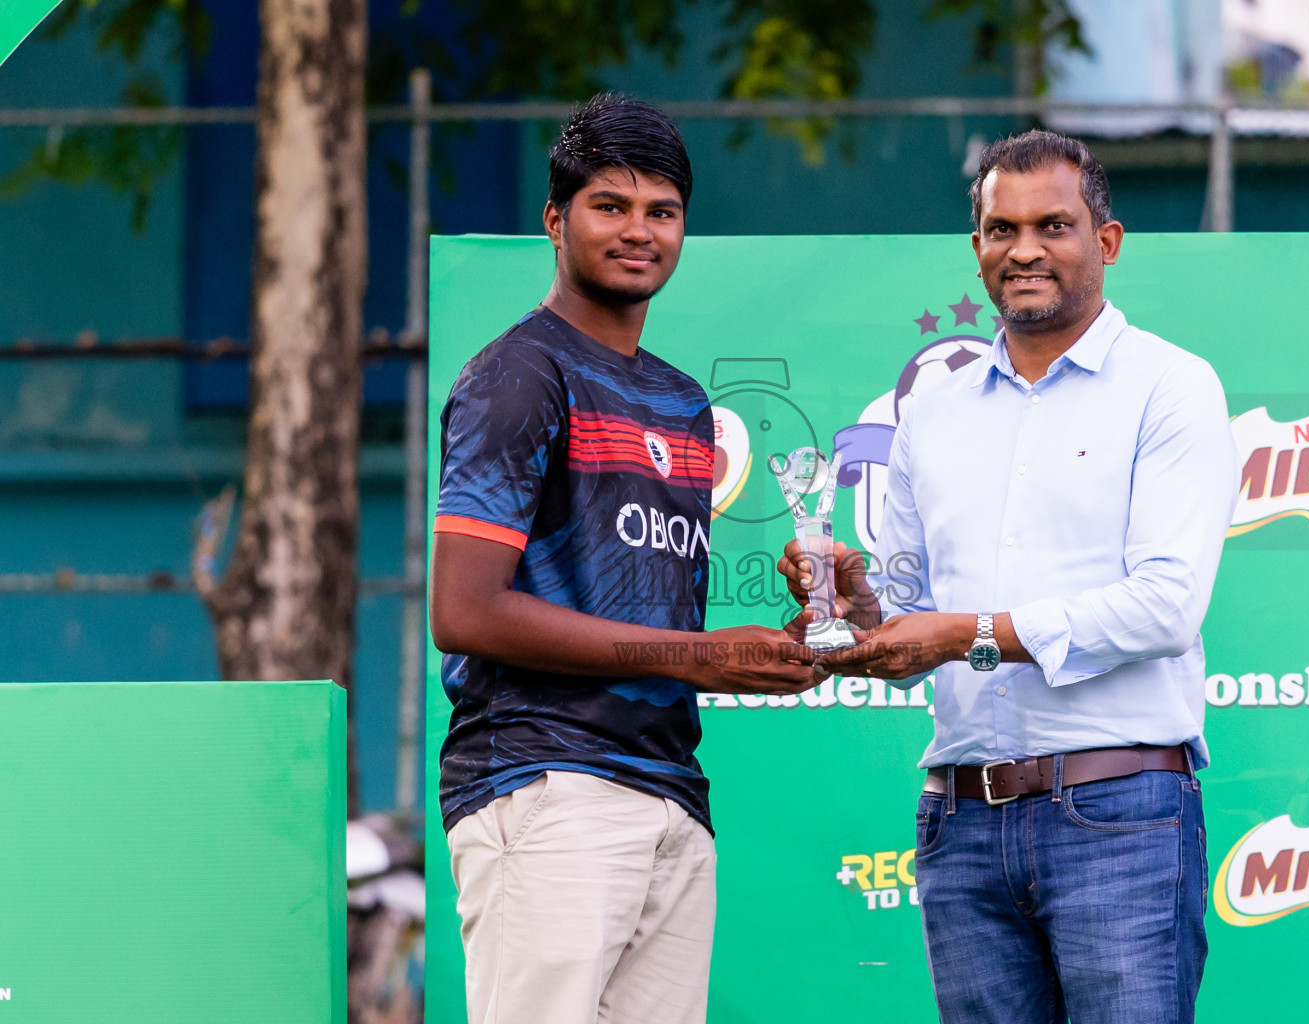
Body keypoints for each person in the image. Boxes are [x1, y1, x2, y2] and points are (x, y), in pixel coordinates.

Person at [780, 130, 1238, 1023]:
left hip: (1120, 812)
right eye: (1002, 229)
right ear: (979, 247)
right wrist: (859, 609)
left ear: (1105, 242)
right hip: (962, 821)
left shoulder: (1171, 387)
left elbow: (1165, 609)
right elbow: (914, 624)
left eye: (1053, 226)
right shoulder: (931, 408)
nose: (1024, 249)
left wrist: (961, 634)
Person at [430, 94, 820, 1024]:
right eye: (611, 206)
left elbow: (651, 625)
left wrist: (803, 638)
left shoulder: (685, 403)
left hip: (670, 793)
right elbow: (465, 611)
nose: (638, 231)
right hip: (543, 779)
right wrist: (702, 657)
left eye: (663, 211)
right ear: (556, 221)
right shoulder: (519, 374)